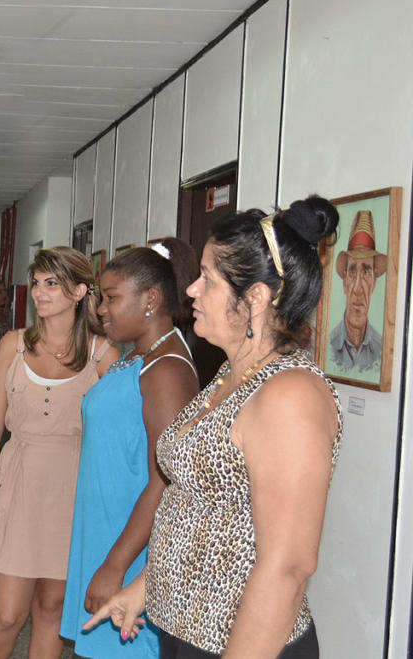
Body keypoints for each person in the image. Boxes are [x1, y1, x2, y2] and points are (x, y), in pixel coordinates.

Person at [84, 196, 343, 658]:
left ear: (255, 298)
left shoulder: (290, 395)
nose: (191, 290)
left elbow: (288, 567)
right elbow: (203, 508)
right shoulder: (230, 375)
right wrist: (145, 587)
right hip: (185, 630)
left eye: (208, 279)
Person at [60, 239, 200, 658]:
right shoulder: (139, 356)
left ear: (150, 299)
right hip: (107, 529)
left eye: (112, 297)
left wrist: (115, 565)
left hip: (130, 546)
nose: (102, 309)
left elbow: (166, 480)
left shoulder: (166, 369)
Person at [0, 247, 118, 659]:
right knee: (7, 613)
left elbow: (117, 432)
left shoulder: (103, 354)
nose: (39, 292)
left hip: (73, 492)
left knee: (53, 608)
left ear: (79, 291)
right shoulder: (13, 345)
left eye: (52, 283)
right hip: (18, 484)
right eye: (36, 283)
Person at [329, 209, 385, 373]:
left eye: (366, 272)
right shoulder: (329, 344)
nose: (358, 289)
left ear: (374, 283)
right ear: (344, 282)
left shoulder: (380, 348)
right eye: (353, 272)